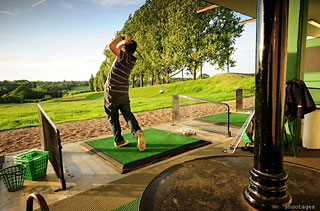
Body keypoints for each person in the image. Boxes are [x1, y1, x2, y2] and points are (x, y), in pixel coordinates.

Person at [104, 34, 146, 151]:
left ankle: (119, 140)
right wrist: (125, 43)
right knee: (128, 114)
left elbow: (111, 46)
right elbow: (118, 47)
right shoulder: (132, 60)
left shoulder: (122, 56)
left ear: (125, 49)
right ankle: (137, 133)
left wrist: (122, 37)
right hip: (123, 93)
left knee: (112, 117)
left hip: (111, 92)